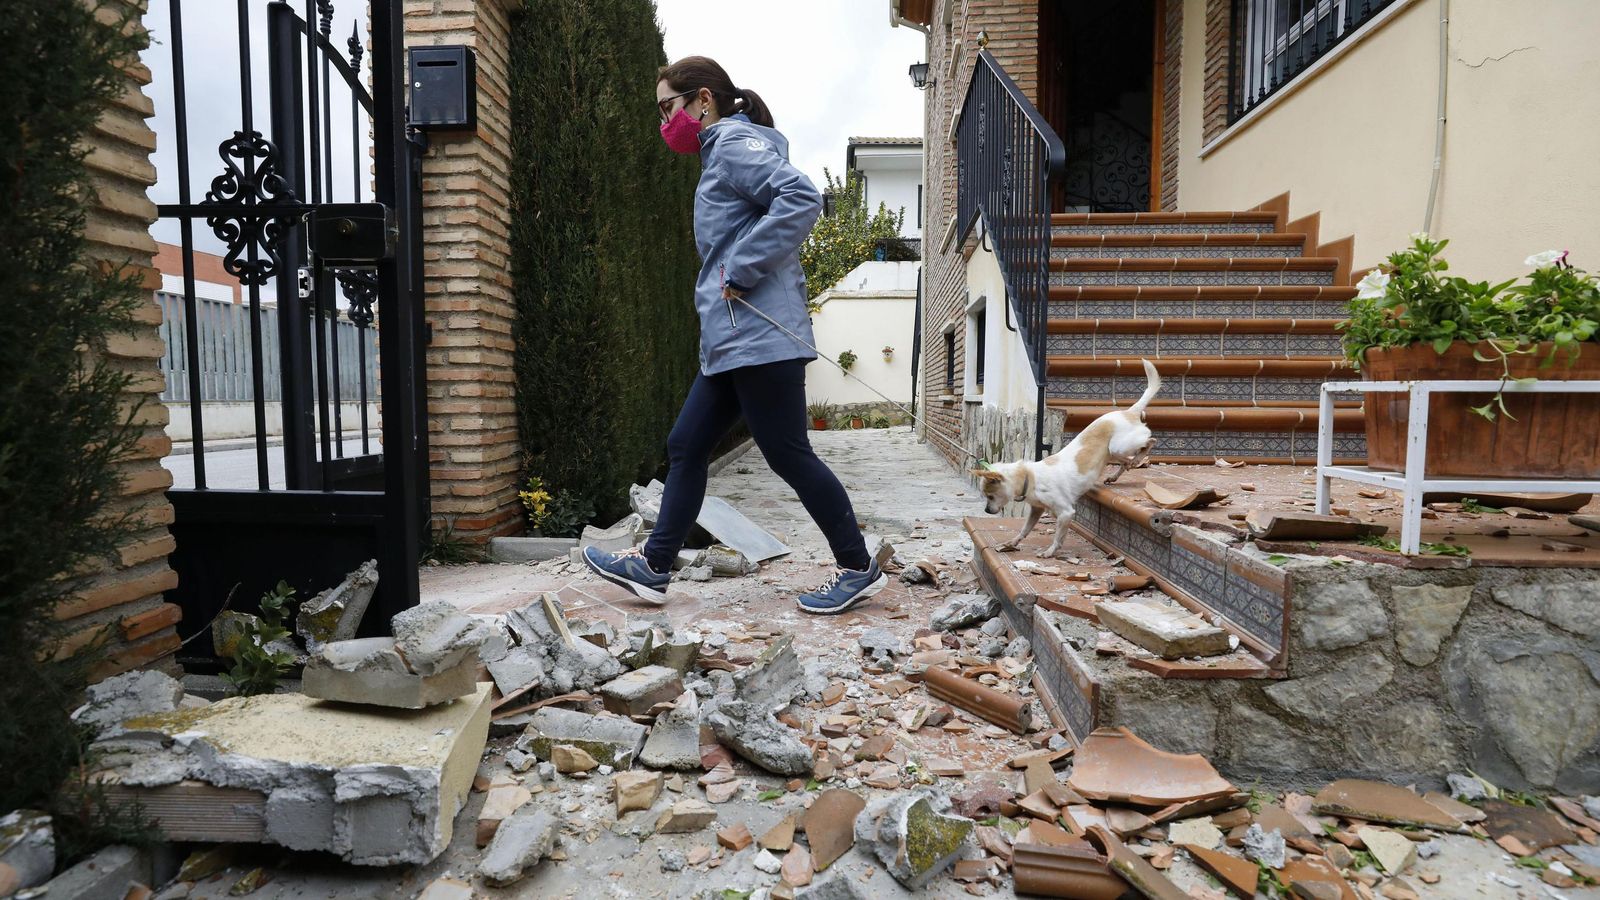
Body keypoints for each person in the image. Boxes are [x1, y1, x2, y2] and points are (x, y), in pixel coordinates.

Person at [582, 55, 884, 615]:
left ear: (703, 100)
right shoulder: (721, 151)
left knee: (788, 454)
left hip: (759, 339)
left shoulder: (733, 144)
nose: (664, 121)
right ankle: (654, 568)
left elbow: (802, 197)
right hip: (731, 344)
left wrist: (740, 268)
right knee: (686, 445)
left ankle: (856, 566)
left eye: (668, 107)